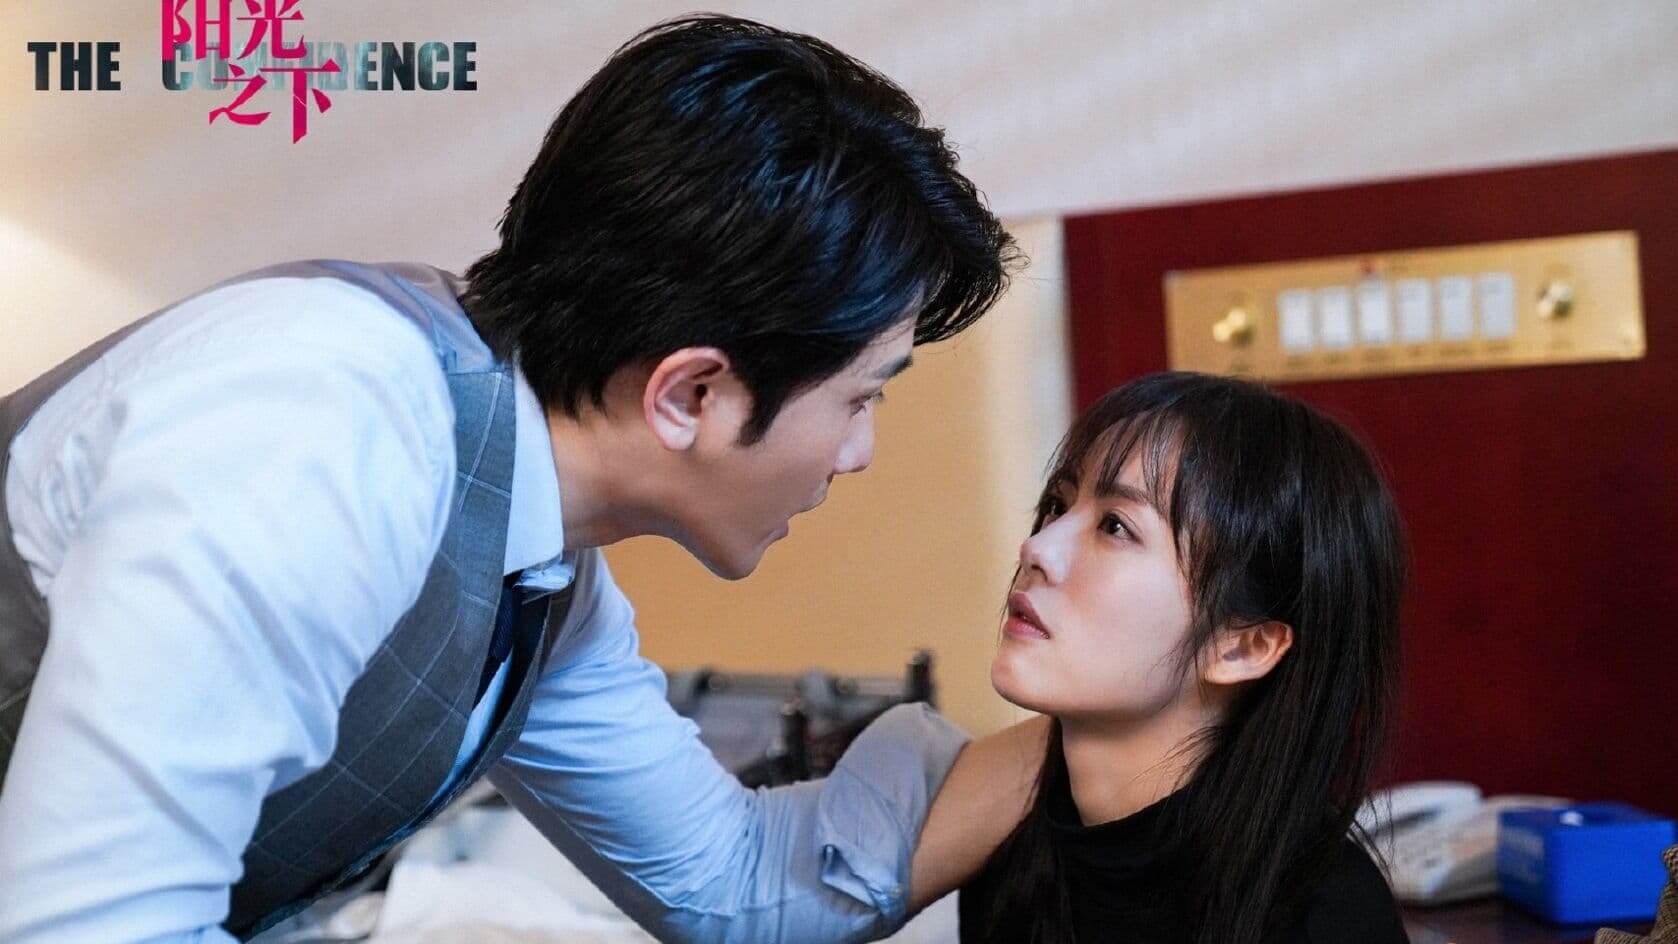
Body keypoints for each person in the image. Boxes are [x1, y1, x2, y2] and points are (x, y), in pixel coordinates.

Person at [0, 16, 1018, 943]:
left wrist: (1088, 737)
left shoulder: (540, 571)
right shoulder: (322, 428)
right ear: (691, 394)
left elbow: (732, 880)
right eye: (859, 397)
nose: (858, 451)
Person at [921, 372, 1410, 943]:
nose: (1037, 547)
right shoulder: (1013, 857)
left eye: (1115, 526)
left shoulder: (1323, 917)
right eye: (1058, 504)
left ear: (1242, 646)